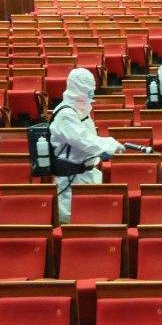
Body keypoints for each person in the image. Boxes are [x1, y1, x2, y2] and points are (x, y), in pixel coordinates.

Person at [50, 68, 124, 223]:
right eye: (88, 90)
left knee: (94, 220)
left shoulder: (81, 110)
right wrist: (108, 145)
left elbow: (89, 139)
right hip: (71, 181)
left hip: (87, 175)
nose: (92, 93)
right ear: (79, 89)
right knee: (74, 224)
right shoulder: (65, 114)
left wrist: (104, 147)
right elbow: (83, 140)